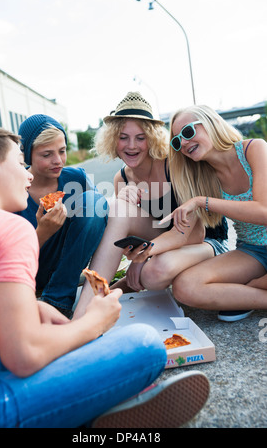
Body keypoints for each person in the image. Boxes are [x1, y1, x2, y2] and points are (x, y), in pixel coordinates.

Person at [0, 124, 210, 428]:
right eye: (19, 163)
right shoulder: (8, 226)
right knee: (147, 344)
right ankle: (88, 415)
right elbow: (23, 356)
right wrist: (94, 323)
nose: (28, 175)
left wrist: (35, 307)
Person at [74, 92, 228, 316]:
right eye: (123, 137)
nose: (131, 145)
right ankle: (83, 318)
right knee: (116, 206)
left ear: (153, 137)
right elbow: (128, 246)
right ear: (112, 139)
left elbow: (194, 234)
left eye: (140, 137)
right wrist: (134, 247)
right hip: (162, 251)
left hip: (206, 244)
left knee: (153, 272)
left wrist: (143, 255)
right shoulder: (121, 179)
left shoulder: (174, 165)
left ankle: (103, 300)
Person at [159, 104, 267, 321]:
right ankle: (255, 295)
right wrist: (147, 250)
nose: (184, 142)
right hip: (253, 251)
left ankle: (246, 292)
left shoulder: (255, 148)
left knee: (256, 283)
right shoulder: (201, 179)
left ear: (213, 122)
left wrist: (203, 202)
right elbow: (181, 234)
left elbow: (264, 211)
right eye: (177, 141)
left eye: (188, 132)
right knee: (184, 287)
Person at [17, 114, 108, 318]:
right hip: (29, 272)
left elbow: (100, 218)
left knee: (95, 201)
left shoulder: (76, 178)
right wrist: (42, 232)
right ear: (28, 155)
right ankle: (49, 297)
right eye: (46, 154)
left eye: (62, 151)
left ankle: (57, 300)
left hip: (68, 266)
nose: (57, 161)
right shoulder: (13, 186)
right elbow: (6, 253)